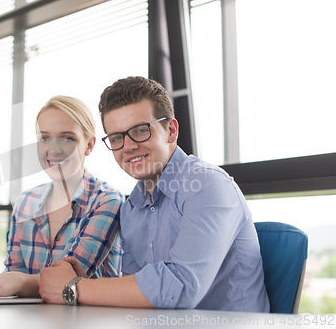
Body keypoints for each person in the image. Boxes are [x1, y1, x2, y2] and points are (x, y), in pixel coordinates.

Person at [38, 77, 270, 312]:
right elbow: (139, 298)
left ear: (171, 130)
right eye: (117, 138)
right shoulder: (131, 209)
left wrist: (75, 288)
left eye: (140, 131)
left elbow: (180, 287)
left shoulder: (206, 184)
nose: (128, 146)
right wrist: (85, 285)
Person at [0, 96, 123, 300]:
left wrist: (18, 281)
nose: (54, 150)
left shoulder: (106, 201)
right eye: (44, 138)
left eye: (67, 138)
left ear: (89, 145)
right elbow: (13, 276)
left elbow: (68, 281)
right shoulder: (25, 202)